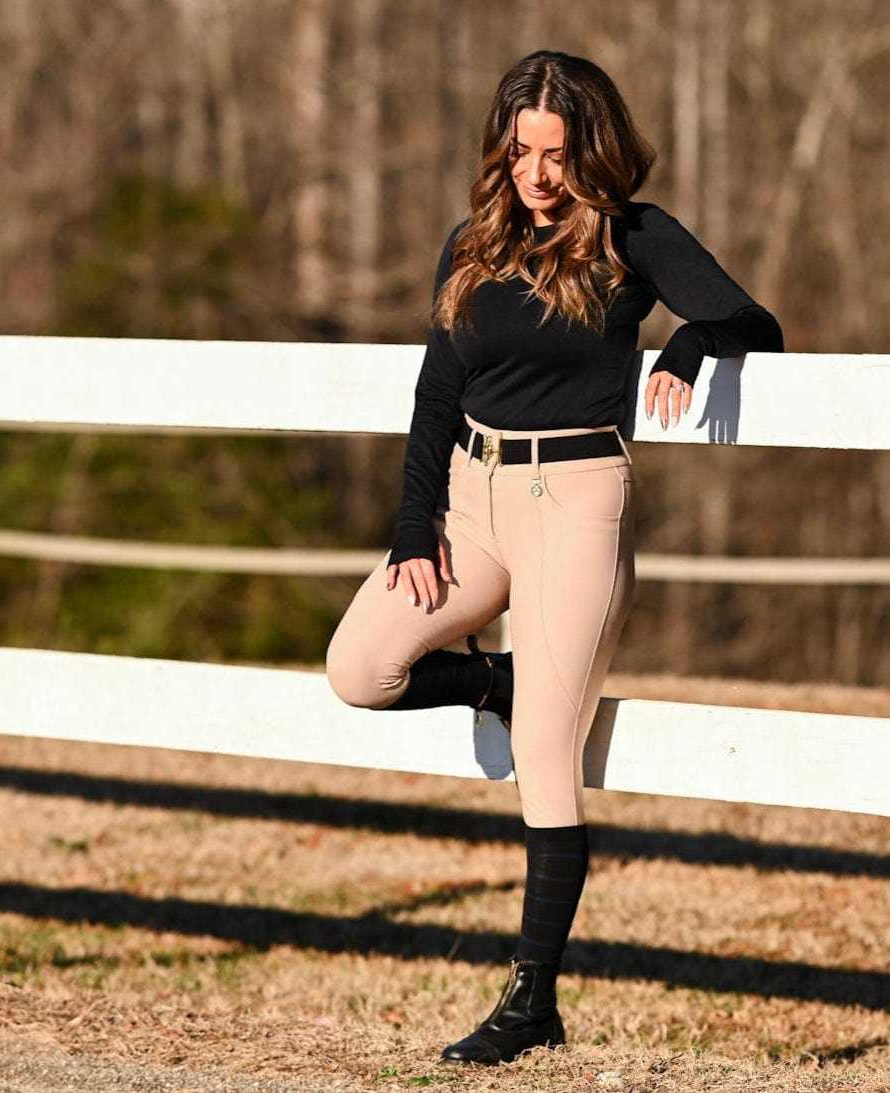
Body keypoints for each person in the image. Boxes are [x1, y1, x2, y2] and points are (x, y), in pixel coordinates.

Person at [324, 49, 784, 1067]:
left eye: (557, 153)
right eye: (523, 151)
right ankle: (496, 675)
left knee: (544, 754)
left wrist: (688, 346)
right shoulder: (476, 242)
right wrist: (411, 529)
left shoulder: (634, 237)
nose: (538, 174)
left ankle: (532, 1000)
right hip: (473, 501)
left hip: (576, 502)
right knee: (359, 667)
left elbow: (749, 318)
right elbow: (434, 398)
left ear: (594, 149)